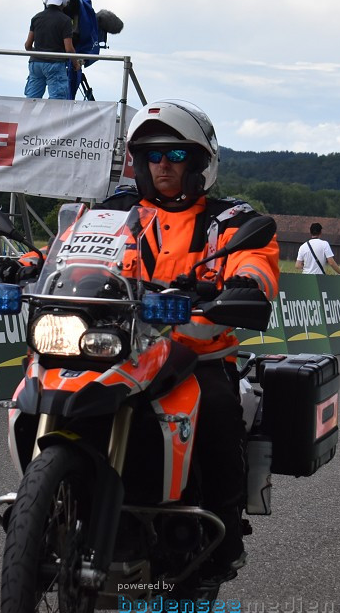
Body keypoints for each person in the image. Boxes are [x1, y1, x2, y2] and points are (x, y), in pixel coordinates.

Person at [97, 99, 281, 583]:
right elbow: (67, 249)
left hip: (195, 352)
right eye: (152, 155)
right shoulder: (112, 212)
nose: (163, 165)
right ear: (136, 161)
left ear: (201, 163)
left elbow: (257, 261)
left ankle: (225, 534)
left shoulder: (231, 218)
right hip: (119, 348)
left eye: (176, 155)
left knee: (218, 411)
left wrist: (245, 282)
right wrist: (26, 263)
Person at [23, 0, 81, 100]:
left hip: (35, 64)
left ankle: (25, 117)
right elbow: (69, 49)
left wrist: (39, 54)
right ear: (64, 1)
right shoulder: (65, 20)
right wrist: (76, 64)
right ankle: (51, 118)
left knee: (31, 99)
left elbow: (27, 45)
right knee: (57, 101)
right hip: (54, 64)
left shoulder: (36, 17)